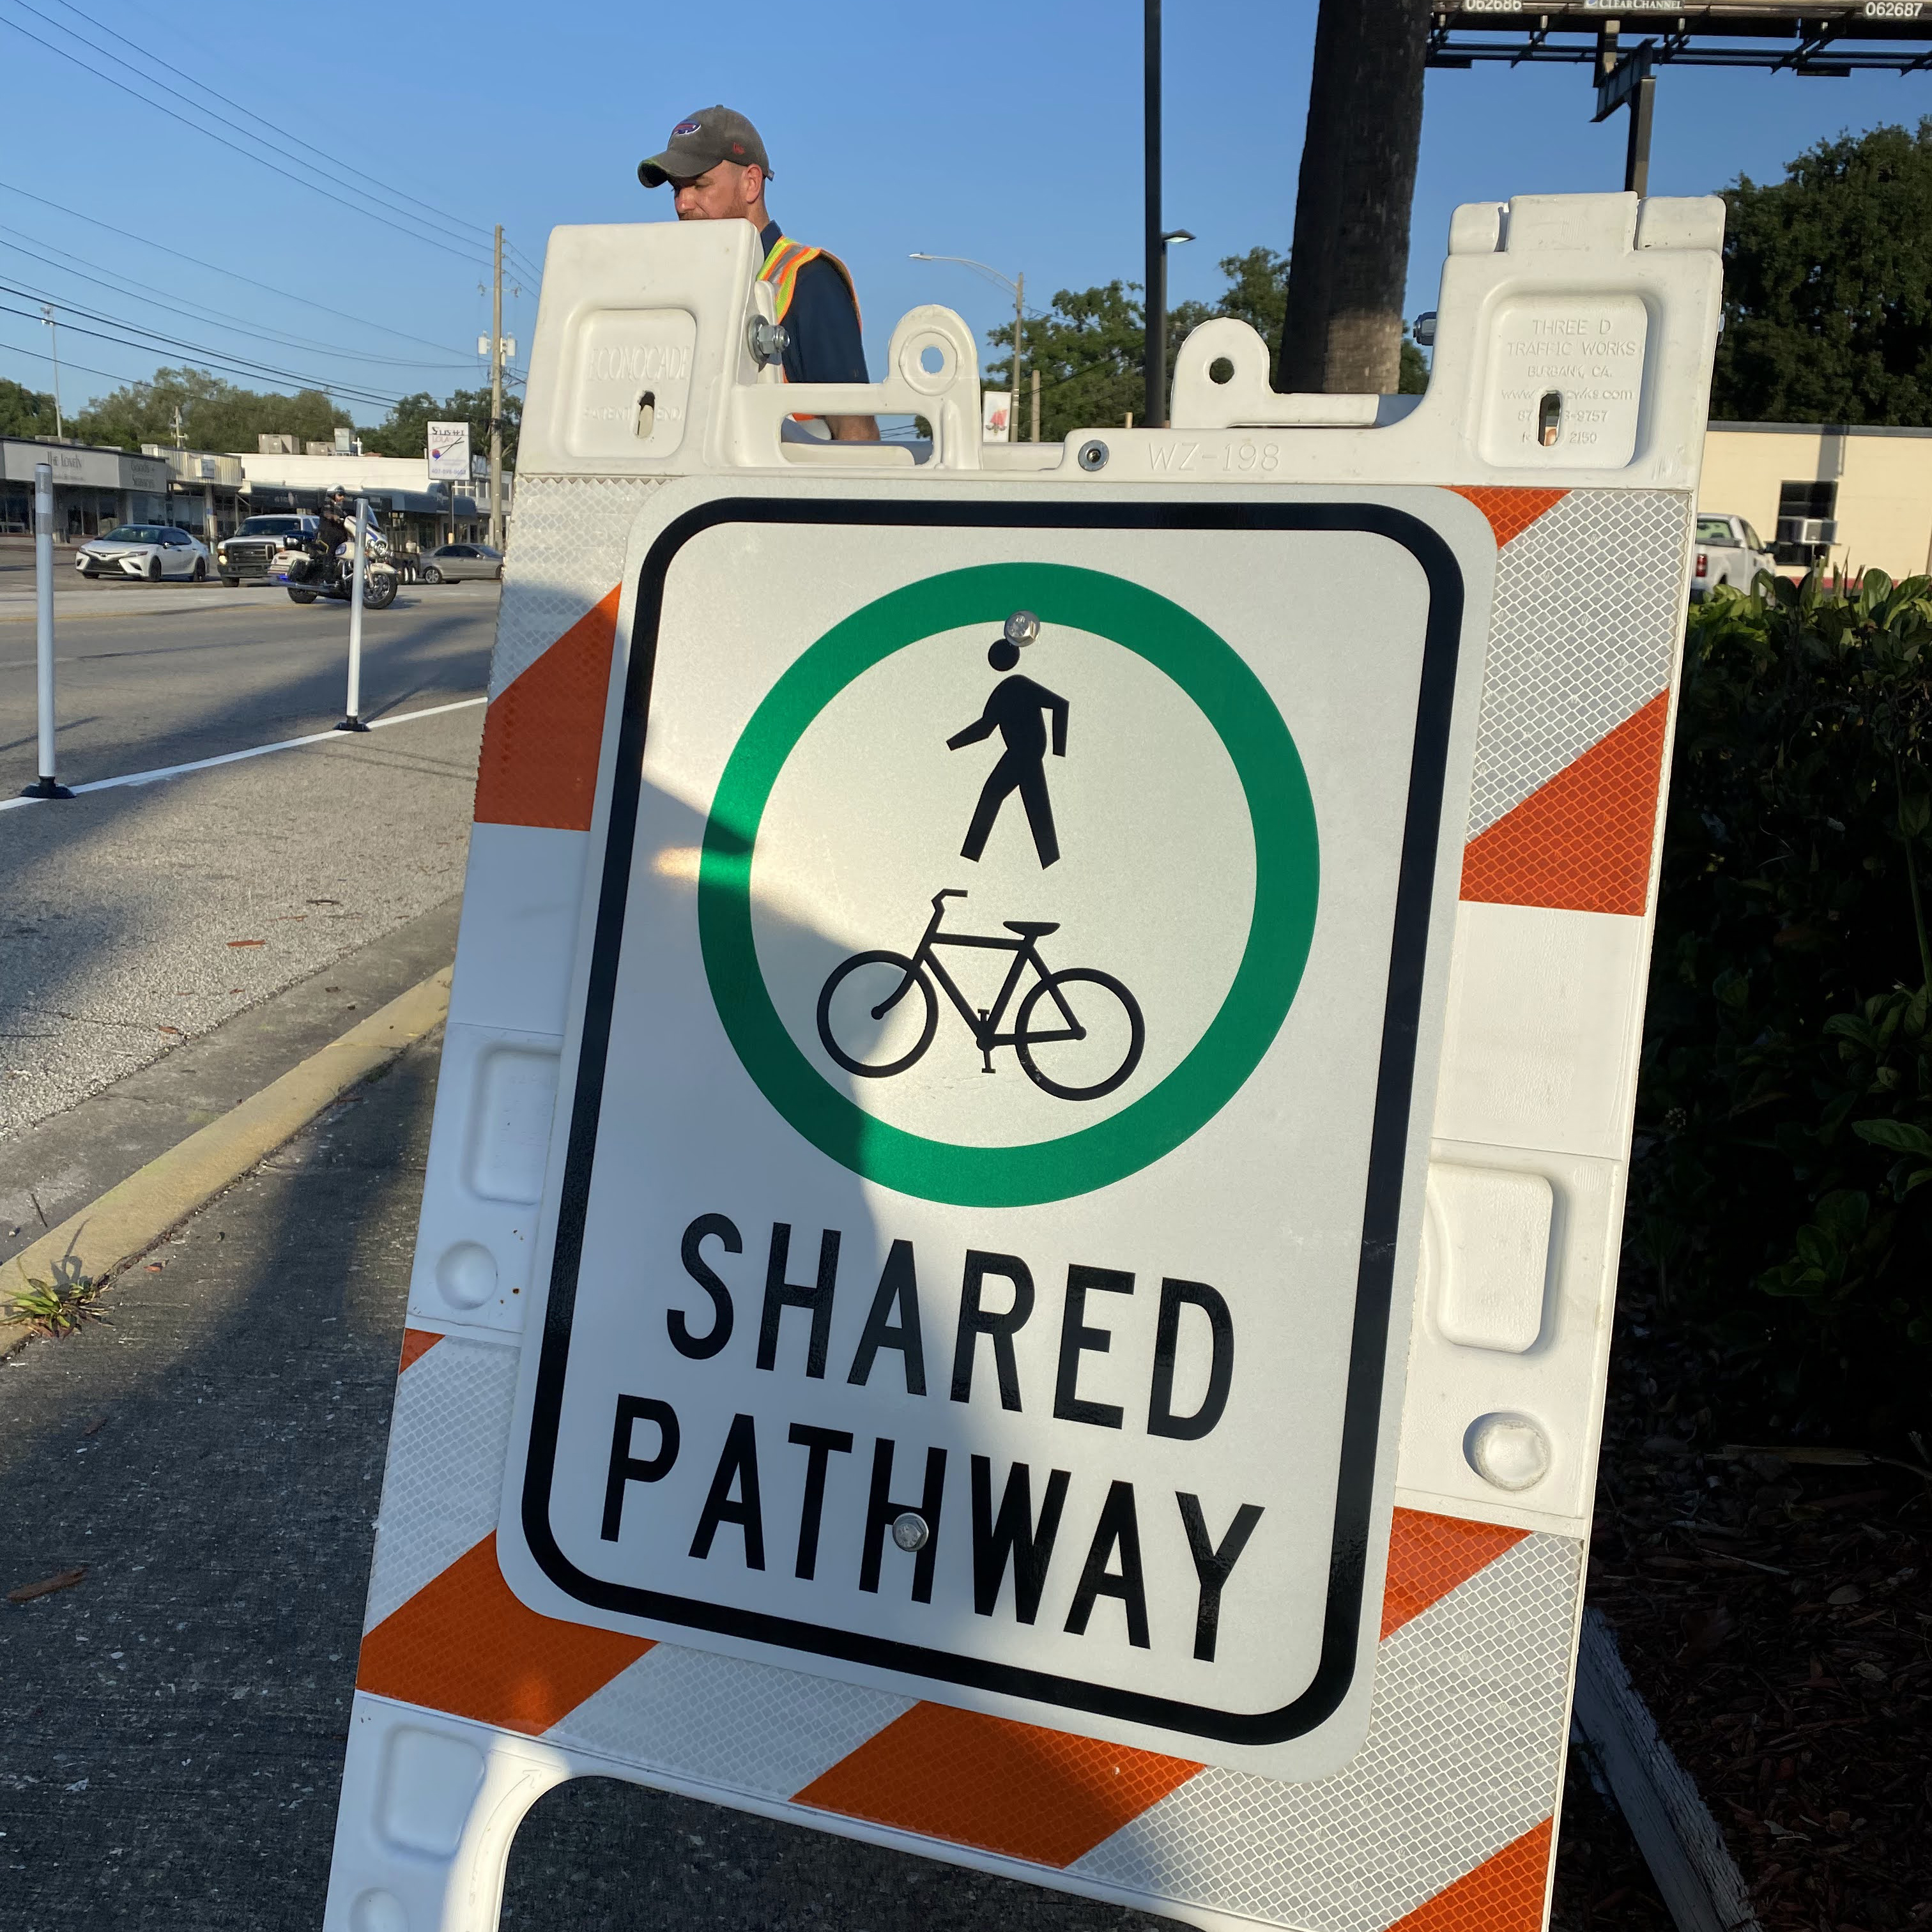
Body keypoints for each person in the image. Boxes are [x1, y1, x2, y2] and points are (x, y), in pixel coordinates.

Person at [638, 106, 877, 442]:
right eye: (677, 189)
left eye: (699, 185)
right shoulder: (684, 289)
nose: (682, 203)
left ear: (751, 183)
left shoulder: (809, 280)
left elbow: (856, 434)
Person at [947, 621, 1069, 869]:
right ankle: (1050, 861)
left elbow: (1060, 705)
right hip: (1023, 753)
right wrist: (951, 745)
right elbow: (985, 729)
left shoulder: (1016, 686)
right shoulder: (1007, 690)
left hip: (1026, 753)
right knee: (1035, 809)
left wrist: (1059, 750)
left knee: (996, 796)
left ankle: (970, 857)